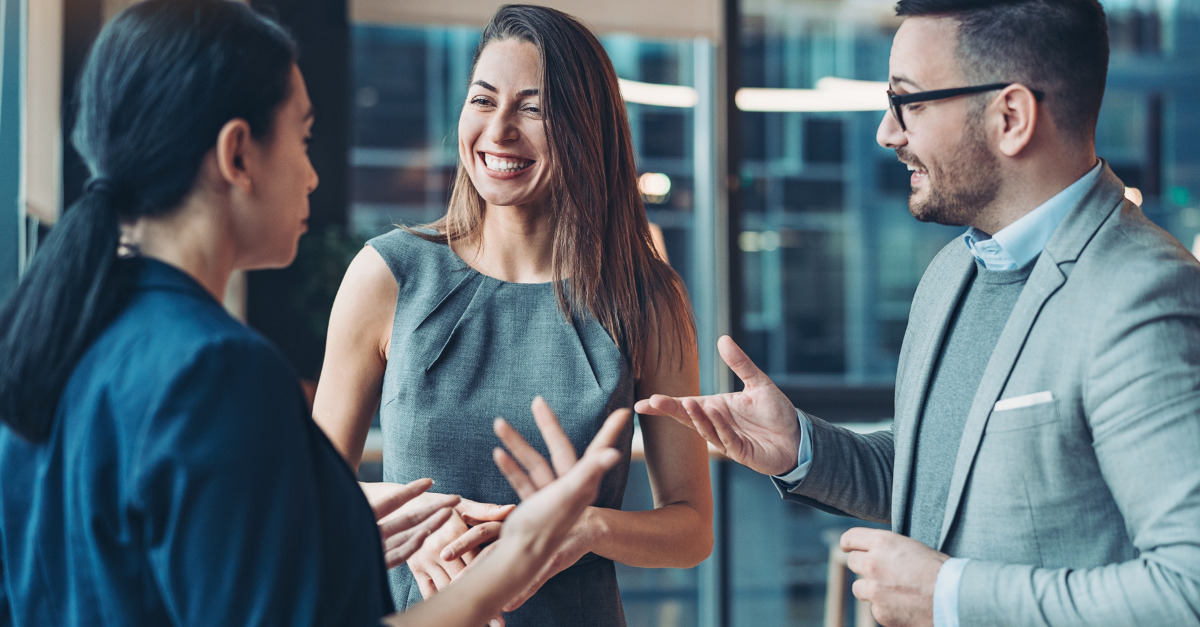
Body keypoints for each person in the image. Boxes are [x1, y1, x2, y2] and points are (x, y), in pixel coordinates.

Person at [0, 1, 629, 625]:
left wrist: (337, 535)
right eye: (303, 138)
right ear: (238, 154)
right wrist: (514, 561)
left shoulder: (58, 333)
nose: (310, 174)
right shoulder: (218, 369)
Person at [637, 0, 1200, 625]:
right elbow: (940, 483)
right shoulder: (952, 272)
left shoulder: (1144, 295)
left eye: (911, 102)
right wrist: (803, 448)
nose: (887, 131)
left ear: (1009, 116)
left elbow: (1187, 588)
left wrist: (952, 596)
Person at [313, 5, 714, 625]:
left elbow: (691, 529)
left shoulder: (647, 298)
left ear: (586, 128)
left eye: (532, 108)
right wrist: (419, 520)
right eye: (482, 100)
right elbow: (308, 496)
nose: (498, 131)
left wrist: (584, 528)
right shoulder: (388, 275)